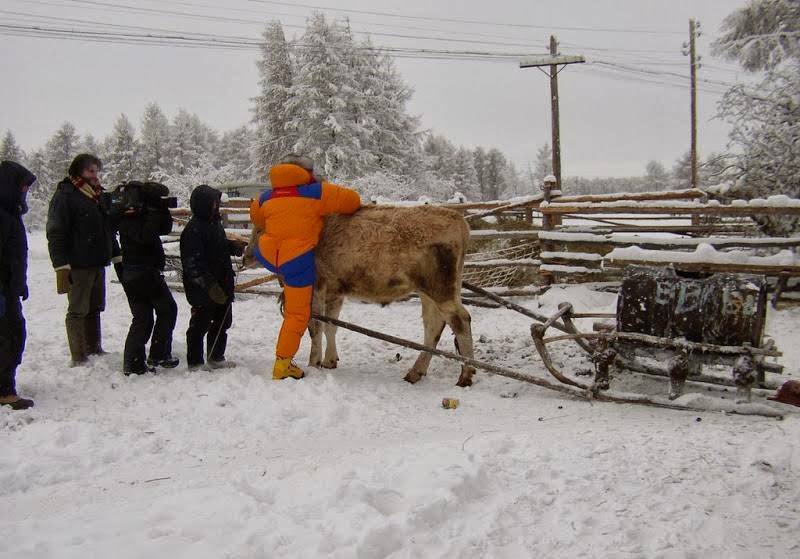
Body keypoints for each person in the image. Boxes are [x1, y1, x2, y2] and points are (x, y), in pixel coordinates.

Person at [249, 153, 361, 380]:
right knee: (298, 315)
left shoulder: (264, 197)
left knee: (289, 280)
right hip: (297, 260)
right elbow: (353, 201)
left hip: (268, 254)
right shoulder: (317, 192)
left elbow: (257, 219)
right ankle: (283, 364)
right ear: (306, 173)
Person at [46, 153, 121, 366]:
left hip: (97, 261)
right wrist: (61, 266)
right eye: (90, 171)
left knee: (95, 306)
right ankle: (78, 356)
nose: (94, 175)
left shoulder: (96, 196)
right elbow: (55, 232)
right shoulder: (65, 196)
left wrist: (115, 255)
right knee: (77, 309)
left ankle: (94, 347)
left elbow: (107, 229)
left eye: (96, 171)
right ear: (78, 171)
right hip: (78, 263)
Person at [117, 181, 179, 375]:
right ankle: (145, 359)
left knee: (145, 317)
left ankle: (138, 361)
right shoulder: (130, 216)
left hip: (141, 272)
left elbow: (164, 229)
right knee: (157, 313)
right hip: (141, 273)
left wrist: (161, 208)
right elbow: (145, 236)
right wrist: (153, 211)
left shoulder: (143, 213)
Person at [180, 184, 242, 370]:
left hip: (222, 282)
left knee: (223, 322)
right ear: (204, 205)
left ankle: (216, 356)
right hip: (203, 289)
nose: (218, 206)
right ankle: (195, 362)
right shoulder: (193, 230)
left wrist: (232, 246)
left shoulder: (214, 223)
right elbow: (193, 265)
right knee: (200, 325)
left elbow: (217, 246)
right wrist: (210, 287)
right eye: (215, 203)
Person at [0, 161, 36, 410]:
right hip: (2, 290)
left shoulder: (9, 212)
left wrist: (18, 284)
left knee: (12, 335)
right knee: (10, 337)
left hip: (9, 288)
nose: (24, 191)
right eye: (22, 186)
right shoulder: (2, 215)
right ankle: (5, 391)